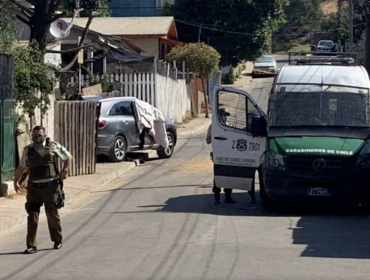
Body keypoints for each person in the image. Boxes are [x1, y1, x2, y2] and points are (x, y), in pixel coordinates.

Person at [13, 126, 73, 254]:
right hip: (34, 187)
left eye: (39, 135)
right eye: (34, 135)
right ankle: (31, 245)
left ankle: (57, 240)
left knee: (52, 214)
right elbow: (21, 167)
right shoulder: (28, 150)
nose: (36, 138)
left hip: (51, 187)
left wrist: (65, 170)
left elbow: (68, 157)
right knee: (32, 215)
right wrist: (15, 181)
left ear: (44, 135)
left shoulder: (53, 146)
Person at [206, 108, 236, 204]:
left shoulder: (230, 127)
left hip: (229, 155)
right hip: (218, 155)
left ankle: (228, 197)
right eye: (224, 115)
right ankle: (217, 197)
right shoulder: (213, 127)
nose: (226, 117)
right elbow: (207, 141)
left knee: (229, 176)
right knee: (218, 176)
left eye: (227, 115)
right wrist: (216, 135)